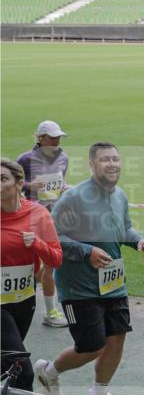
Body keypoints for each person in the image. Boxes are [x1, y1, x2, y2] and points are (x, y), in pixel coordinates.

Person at [33, 142, 144, 395]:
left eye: (115, 159)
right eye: (105, 159)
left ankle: (98, 392)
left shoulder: (119, 195)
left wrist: (139, 241)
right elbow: (53, 236)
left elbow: (124, 229)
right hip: (79, 289)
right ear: (91, 164)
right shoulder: (74, 198)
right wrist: (88, 252)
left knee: (117, 339)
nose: (112, 164)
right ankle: (49, 372)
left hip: (113, 284)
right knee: (91, 347)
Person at [1, 159, 62, 391]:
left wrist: (36, 244)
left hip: (24, 300)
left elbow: (56, 258)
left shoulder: (37, 214)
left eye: (3, 179)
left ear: (19, 184)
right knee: (22, 369)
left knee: (7, 363)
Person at [17, 120, 72, 328]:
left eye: (58, 136)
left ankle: (50, 312)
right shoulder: (25, 159)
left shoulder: (63, 158)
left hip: (53, 216)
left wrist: (65, 188)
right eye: (52, 137)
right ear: (40, 138)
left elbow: (58, 185)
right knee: (27, 265)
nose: (56, 140)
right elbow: (12, 183)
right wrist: (31, 185)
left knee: (51, 263)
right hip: (30, 218)